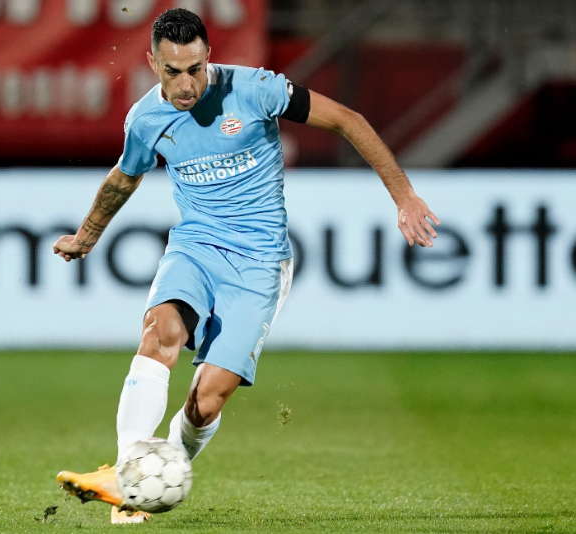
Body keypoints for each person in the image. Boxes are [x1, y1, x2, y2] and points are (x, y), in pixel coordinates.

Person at [53, 8, 440, 525]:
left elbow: (348, 120)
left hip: (259, 263)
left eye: (195, 69)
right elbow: (125, 177)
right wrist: (87, 235)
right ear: (152, 64)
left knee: (206, 402)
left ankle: (154, 474)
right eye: (173, 71)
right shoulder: (145, 120)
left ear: (209, 57)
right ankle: (128, 479)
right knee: (159, 332)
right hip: (195, 247)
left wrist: (404, 196)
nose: (186, 84)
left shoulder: (257, 90)